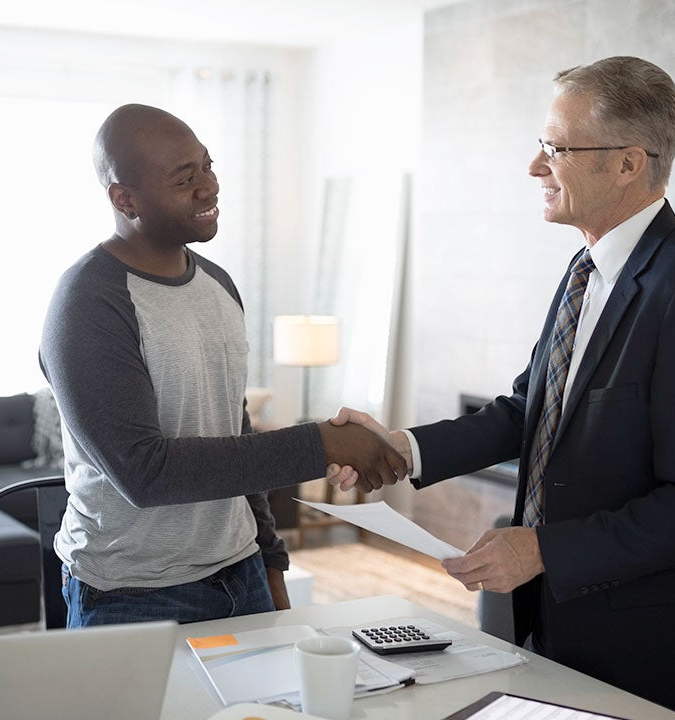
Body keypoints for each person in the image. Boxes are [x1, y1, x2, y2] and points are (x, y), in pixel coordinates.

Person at [329, 56, 675, 720]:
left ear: (628, 164)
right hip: (566, 626)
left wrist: (542, 549)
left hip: (657, 651)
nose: (535, 167)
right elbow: (527, 412)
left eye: (555, 148)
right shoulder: (583, 270)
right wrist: (404, 448)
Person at [39, 103, 408, 628]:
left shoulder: (218, 285)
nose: (209, 187)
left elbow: (233, 430)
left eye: (208, 166)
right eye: (185, 177)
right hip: (134, 594)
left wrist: (271, 557)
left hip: (243, 572)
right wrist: (320, 443)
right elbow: (145, 474)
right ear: (125, 199)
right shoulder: (87, 303)